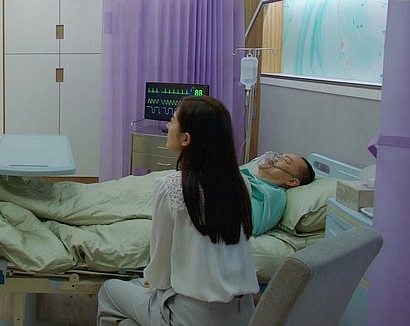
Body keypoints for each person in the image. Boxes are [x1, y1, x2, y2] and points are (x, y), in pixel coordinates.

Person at [97, 96, 258, 326]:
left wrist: (152, 282)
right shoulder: (242, 184)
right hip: (242, 314)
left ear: (186, 138)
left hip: (192, 317)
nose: (167, 126)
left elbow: (160, 269)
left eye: (172, 121)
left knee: (109, 290)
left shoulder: (171, 187)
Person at [244, 151, 315, 236]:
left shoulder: (274, 195)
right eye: (279, 155)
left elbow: (244, 225)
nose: (275, 158)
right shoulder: (248, 176)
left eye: (285, 160)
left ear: (291, 181)